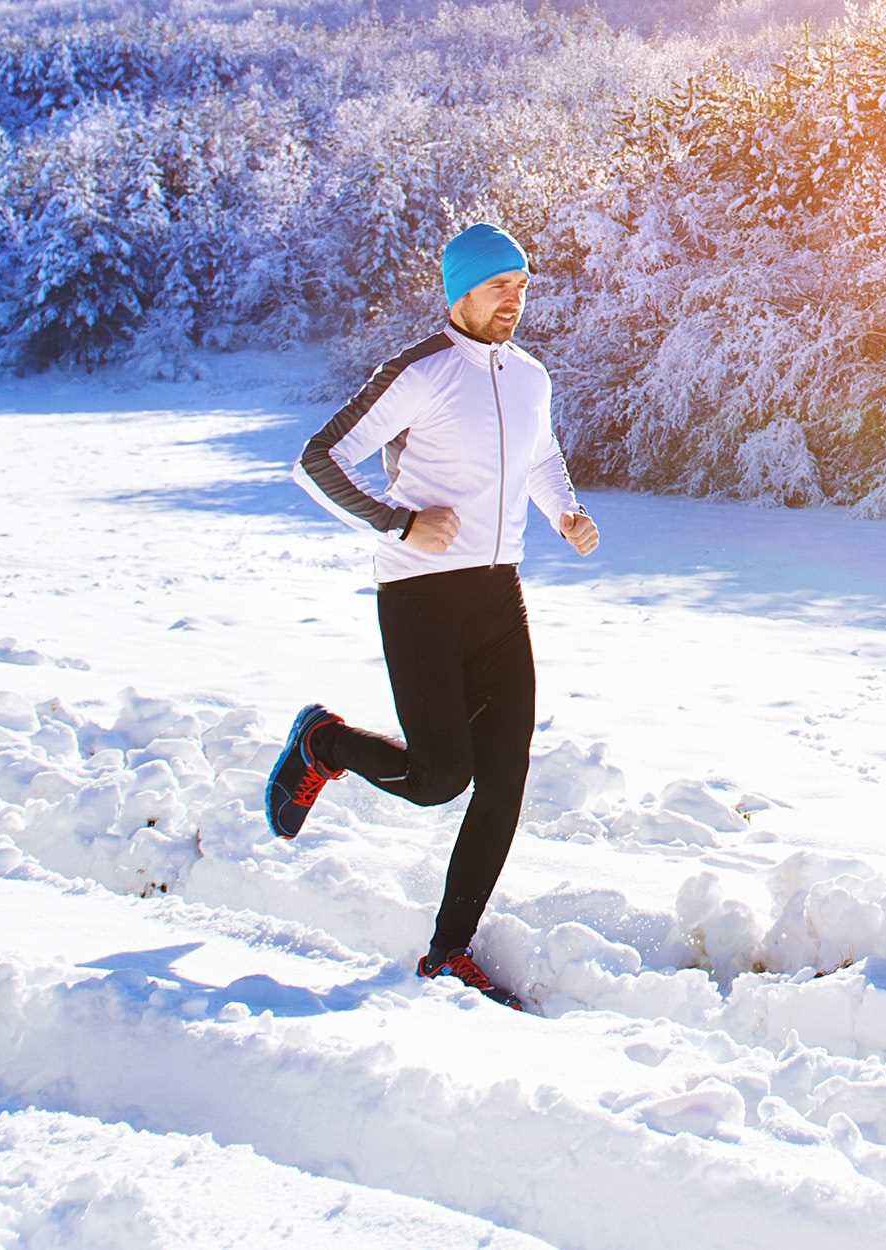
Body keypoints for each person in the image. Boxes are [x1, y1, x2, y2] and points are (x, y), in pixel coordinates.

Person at [267, 222, 599, 1009]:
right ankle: (325, 742)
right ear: (460, 292)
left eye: (522, 287)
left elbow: (540, 454)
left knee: (506, 777)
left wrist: (565, 512)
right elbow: (317, 461)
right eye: (498, 288)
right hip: (419, 594)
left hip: (498, 592)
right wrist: (397, 522)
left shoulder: (529, 376)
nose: (514, 302)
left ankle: (449, 952)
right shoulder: (419, 371)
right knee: (439, 778)